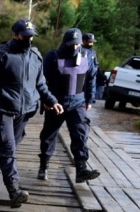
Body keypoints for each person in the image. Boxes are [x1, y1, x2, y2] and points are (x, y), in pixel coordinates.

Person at [0, 18, 63, 208]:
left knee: (6, 149)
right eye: (25, 36)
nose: (28, 39)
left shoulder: (35, 56)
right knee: (9, 147)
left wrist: (52, 101)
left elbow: (41, 84)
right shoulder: (2, 55)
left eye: (31, 36)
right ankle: (13, 189)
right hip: (3, 108)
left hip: (25, 111)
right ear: (15, 35)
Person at [37, 28, 101, 183]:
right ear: (65, 42)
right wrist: (45, 100)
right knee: (48, 136)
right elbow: (42, 80)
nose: (74, 47)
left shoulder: (87, 56)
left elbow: (91, 78)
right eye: (71, 44)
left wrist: (89, 100)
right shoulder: (53, 57)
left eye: (77, 44)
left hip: (77, 102)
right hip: (56, 102)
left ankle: (81, 168)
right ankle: (44, 165)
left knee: (80, 133)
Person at [82, 33, 106, 99]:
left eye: (92, 42)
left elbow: (95, 67)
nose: (92, 44)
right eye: (90, 42)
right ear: (84, 41)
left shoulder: (93, 52)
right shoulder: (78, 51)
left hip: (89, 80)